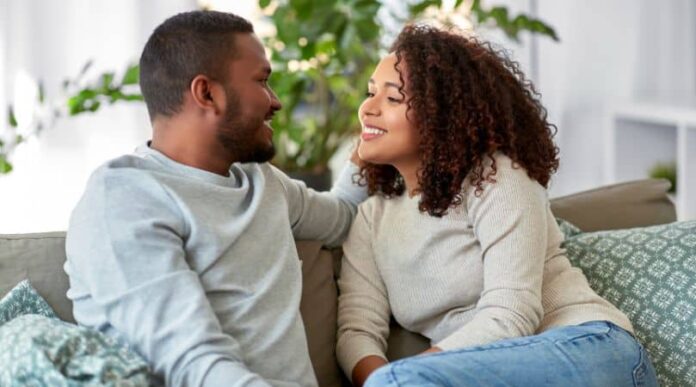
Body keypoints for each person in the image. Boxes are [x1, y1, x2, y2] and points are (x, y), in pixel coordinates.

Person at [336, 24, 658, 387]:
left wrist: (403, 378)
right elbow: (356, 330)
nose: (367, 109)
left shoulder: (496, 178)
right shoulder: (371, 218)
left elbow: (511, 315)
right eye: (370, 93)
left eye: (393, 99)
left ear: (442, 116)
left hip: (593, 350)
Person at [65, 11, 365, 387]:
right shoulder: (124, 199)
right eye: (262, 81)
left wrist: (369, 144)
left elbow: (344, 216)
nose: (276, 102)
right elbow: (195, 366)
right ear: (206, 93)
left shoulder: (262, 183)